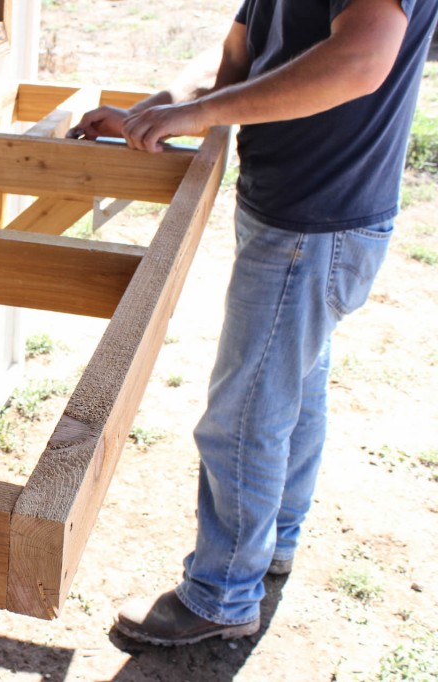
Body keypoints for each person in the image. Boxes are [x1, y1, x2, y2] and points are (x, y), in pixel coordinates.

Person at [69, 0, 438, 646]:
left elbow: (359, 61)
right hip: (295, 212)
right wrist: (156, 107)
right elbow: (237, 58)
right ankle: (269, 546)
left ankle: (221, 594)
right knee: (291, 391)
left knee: (244, 413)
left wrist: (198, 113)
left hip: (316, 220)